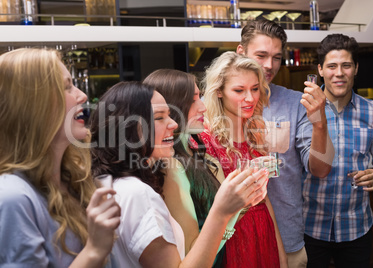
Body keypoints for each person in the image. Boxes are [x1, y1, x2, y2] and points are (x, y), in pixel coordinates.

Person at [89, 81, 268, 267]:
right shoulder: (138, 193)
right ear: (129, 129)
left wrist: (233, 208)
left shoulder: (113, 183)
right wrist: (221, 211)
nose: (174, 123)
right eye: (159, 118)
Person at [0, 48, 121, 267]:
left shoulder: (74, 180)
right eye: (67, 87)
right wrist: (94, 250)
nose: (82, 96)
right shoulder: (13, 197)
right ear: (32, 105)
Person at [143, 69, 268, 266]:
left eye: (200, 97)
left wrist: (243, 200)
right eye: (194, 100)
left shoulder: (195, 148)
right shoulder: (171, 167)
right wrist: (230, 211)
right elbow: (192, 252)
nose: (203, 107)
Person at [236, 18, 334, 267]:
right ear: (241, 52)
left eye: (277, 57)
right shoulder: (218, 102)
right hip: (233, 239)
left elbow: (320, 169)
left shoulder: (295, 103)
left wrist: (319, 122)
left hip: (287, 237)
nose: (269, 65)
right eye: (261, 55)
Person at [302, 33, 373, 267]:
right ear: (321, 70)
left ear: (355, 68)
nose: (339, 73)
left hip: (356, 227)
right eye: (332, 66)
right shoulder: (303, 110)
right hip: (310, 227)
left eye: (346, 65)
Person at [200, 51, 288, 267]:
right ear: (219, 91)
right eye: (239, 90)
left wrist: (281, 255)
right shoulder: (205, 140)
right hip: (231, 237)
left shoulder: (255, 132)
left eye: (255, 89)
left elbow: (265, 199)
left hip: (263, 231)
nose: (250, 98)